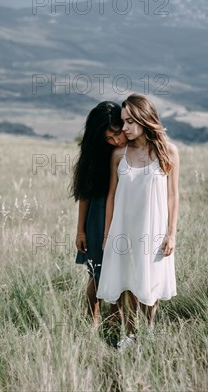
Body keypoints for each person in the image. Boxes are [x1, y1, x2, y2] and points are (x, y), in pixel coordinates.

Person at [97, 93, 180, 349]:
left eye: (131, 121)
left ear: (145, 119)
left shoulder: (168, 151)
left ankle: (150, 334)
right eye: (123, 121)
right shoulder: (118, 155)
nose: (125, 128)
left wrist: (171, 233)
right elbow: (111, 196)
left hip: (153, 228)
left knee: (150, 282)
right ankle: (131, 335)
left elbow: (173, 196)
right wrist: (107, 234)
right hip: (123, 228)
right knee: (128, 281)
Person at [71, 101, 128, 328]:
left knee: (121, 272)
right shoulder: (95, 155)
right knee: (97, 272)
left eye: (117, 133)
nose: (116, 141)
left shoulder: (133, 149)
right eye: (109, 138)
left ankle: (116, 321)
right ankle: (91, 323)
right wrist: (80, 230)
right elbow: (84, 194)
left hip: (123, 215)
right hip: (97, 216)